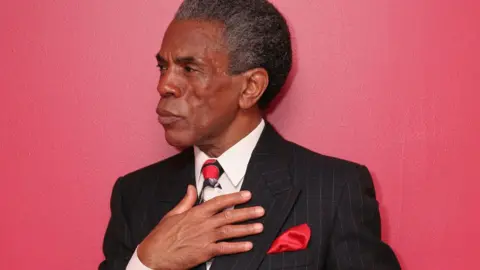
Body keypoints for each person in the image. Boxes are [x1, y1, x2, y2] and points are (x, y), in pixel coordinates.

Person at [99, 0, 401, 269]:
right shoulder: (133, 195)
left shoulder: (335, 190)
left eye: (189, 68)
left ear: (250, 87)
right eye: (162, 66)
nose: (164, 85)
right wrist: (146, 263)